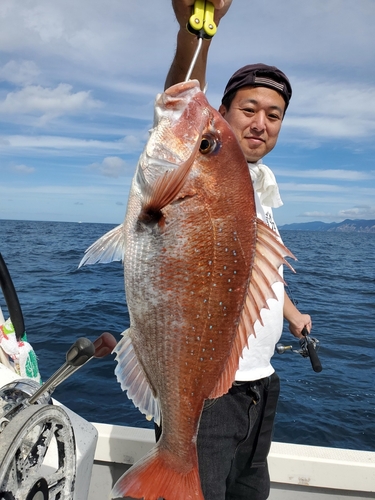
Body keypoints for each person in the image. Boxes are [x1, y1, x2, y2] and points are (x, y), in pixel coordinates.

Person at [156, 2, 313, 499]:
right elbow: (181, 105)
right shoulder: (202, 165)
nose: (261, 123)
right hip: (208, 395)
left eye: (275, 115)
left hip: (261, 386)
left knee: (250, 493)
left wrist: (290, 311)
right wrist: (198, 31)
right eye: (248, 109)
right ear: (221, 114)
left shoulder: (262, 184)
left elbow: (248, 265)